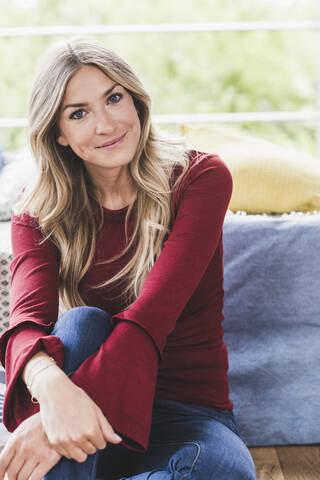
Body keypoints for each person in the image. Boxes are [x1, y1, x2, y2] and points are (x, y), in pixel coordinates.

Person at [0, 37, 256, 480]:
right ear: (58, 133)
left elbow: (148, 322)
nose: (106, 123)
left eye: (114, 98)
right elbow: (24, 327)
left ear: (135, 100)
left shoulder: (200, 178)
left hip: (185, 414)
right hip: (79, 408)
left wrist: (47, 425)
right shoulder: (36, 214)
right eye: (78, 113)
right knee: (82, 324)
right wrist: (52, 392)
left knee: (227, 469)